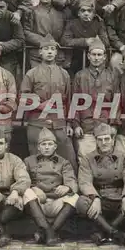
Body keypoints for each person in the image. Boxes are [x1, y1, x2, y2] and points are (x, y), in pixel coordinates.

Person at [76, 123, 125, 247]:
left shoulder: (124, 156)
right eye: (100, 139)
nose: (104, 142)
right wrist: (95, 198)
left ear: (113, 140)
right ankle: (114, 232)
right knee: (81, 202)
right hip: (100, 198)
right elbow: (84, 181)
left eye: (107, 139)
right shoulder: (88, 158)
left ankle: (105, 231)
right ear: (96, 141)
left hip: (119, 197)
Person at [20, 34, 78, 172]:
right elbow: (23, 98)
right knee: (36, 160)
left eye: (52, 49)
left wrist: (69, 123)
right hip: (37, 123)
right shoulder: (32, 73)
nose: (50, 52)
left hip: (58, 123)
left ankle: (71, 186)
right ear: (40, 52)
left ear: (57, 52)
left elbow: (69, 100)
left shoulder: (64, 74)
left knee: (69, 158)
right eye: (46, 49)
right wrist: (40, 105)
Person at [23, 128, 79, 245]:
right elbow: (22, 180)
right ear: (38, 147)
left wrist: (67, 187)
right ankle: (51, 233)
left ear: (55, 147)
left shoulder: (64, 162)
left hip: (56, 202)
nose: (47, 147)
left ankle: (48, 232)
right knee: (27, 193)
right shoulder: (28, 161)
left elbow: (72, 180)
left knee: (74, 197)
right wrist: (34, 188)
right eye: (43, 144)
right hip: (37, 204)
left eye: (50, 144)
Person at [72, 37, 117, 157]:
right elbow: (74, 103)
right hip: (86, 126)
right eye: (94, 54)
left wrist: (113, 125)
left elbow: (116, 103)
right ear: (88, 56)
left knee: (107, 159)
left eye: (99, 55)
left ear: (104, 57)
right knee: (85, 159)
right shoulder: (80, 76)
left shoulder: (112, 77)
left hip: (105, 126)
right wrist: (76, 125)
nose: (96, 58)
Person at [23, 0, 67, 69]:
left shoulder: (61, 14)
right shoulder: (30, 11)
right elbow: (26, 32)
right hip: (37, 56)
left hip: (57, 55)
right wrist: (44, 41)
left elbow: (65, 33)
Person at [60, 0, 110, 75]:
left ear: (93, 14)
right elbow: (64, 41)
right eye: (83, 11)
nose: (86, 13)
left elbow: (106, 42)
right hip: (75, 58)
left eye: (89, 11)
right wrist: (85, 41)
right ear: (78, 13)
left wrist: (95, 42)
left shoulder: (99, 24)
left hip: (94, 58)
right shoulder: (72, 24)